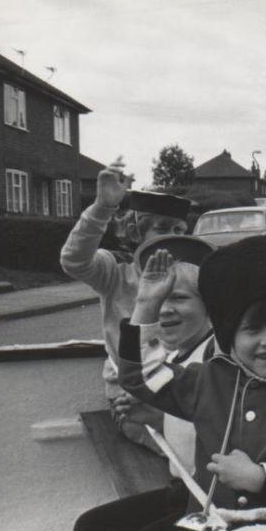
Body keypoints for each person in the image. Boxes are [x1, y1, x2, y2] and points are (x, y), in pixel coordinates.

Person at [118, 235, 266, 517]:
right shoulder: (207, 381)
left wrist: (262, 479)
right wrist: (146, 304)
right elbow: (140, 374)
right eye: (253, 330)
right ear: (229, 338)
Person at [73, 235, 216, 531]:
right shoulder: (179, 354)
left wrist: (147, 306)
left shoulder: (215, 356)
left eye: (178, 298)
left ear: (210, 305)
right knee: (89, 530)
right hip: (183, 490)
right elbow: (135, 373)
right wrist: (159, 418)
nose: (165, 311)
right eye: (159, 301)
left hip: (210, 505)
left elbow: (220, 426)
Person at [60, 159, 191, 452]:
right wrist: (103, 207)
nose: (173, 235)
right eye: (162, 227)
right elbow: (74, 260)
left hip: (182, 388)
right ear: (136, 232)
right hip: (131, 393)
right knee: (175, 447)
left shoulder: (190, 274)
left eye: (181, 230)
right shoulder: (115, 271)